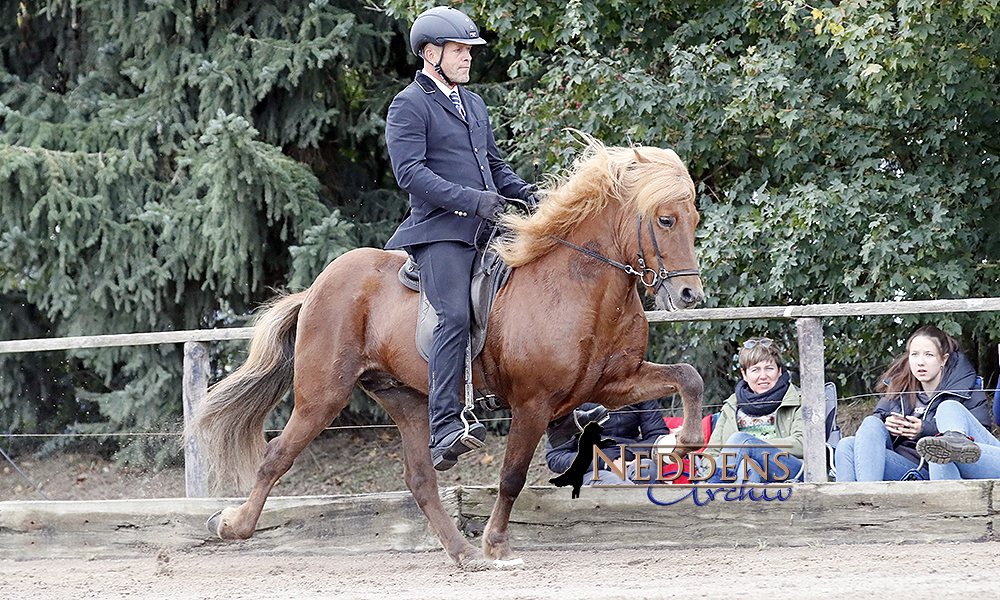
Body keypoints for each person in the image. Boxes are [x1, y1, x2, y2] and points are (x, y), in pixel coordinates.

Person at [384, 6, 540, 471]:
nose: (468, 57)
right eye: (459, 50)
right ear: (431, 54)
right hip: (440, 231)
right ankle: (445, 425)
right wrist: (473, 201)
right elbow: (409, 172)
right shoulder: (409, 104)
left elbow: (493, 165)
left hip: (489, 227)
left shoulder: (473, 104)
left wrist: (526, 192)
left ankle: (561, 412)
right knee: (453, 314)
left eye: (469, 50)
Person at [834, 325, 989, 482]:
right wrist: (889, 425)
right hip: (897, 462)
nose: (920, 362)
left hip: (931, 469)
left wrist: (924, 430)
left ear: (944, 359)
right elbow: (875, 424)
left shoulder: (966, 389)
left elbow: (980, 436)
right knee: (851, 440)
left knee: (939, 448)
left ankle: (868, 500)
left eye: (929, 355)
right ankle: (859, 501)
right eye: (914, 355)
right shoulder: (900, 387)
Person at [700, 337, 803, 484]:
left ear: (779, 371)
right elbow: (711, 455)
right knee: (747, 466)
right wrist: (744, 452)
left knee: (740, 441)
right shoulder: (731, 405)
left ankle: (712, 494)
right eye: (755, 370)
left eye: (769, 368)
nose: (763, 376)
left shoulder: (797, 400)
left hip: (789, 470)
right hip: (742, 472)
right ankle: (742, 506)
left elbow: (802, 444)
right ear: (744, 374)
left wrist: (750, 445)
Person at [546, 400, 671, 486]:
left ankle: (656, 521)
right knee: (619, 485)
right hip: (589, 470)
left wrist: (626, 455)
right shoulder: (571, 393)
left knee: (647, 469)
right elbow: (556, 456)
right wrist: (606, 462)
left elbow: (658, 437)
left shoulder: (639, 388)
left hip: (631, 459)